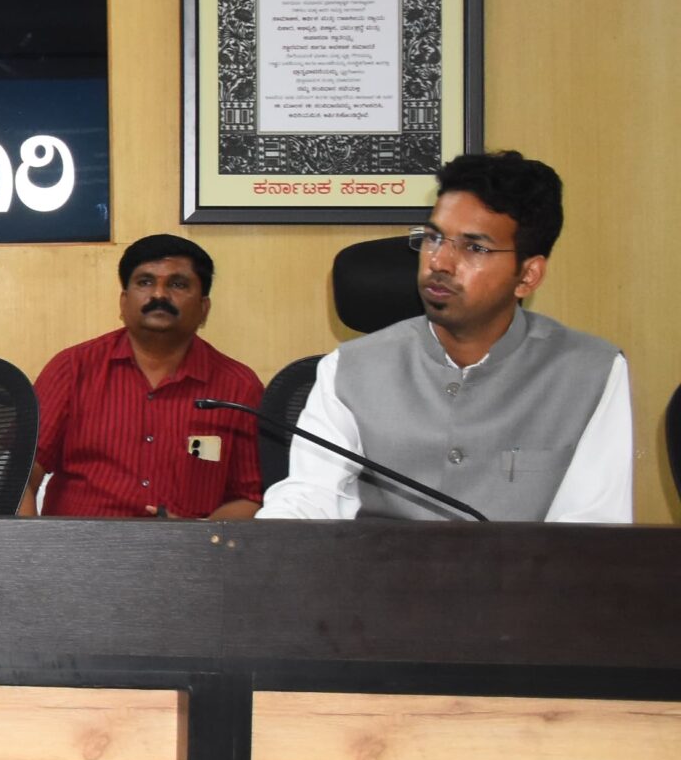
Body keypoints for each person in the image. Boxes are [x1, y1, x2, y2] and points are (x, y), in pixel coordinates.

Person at [260, 151, 631, 522]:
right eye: (433, 238)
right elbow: (309, 497)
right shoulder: (347, 370)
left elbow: (593, 530)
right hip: (382, 560)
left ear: (528, 275)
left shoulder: (591, 372)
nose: (439, 262)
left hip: (526, 564)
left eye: (475, 247)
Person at [23, 234, 264, 519]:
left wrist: (199, 537)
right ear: (124, 302)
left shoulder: (238, 387)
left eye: (178, 284)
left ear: (203, 308)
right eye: (145, 282)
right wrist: (32, 546)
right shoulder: (73, 369)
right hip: (78, 546)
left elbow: (251, 498)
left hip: (189, 547)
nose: (159, 295)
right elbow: (20, 476)